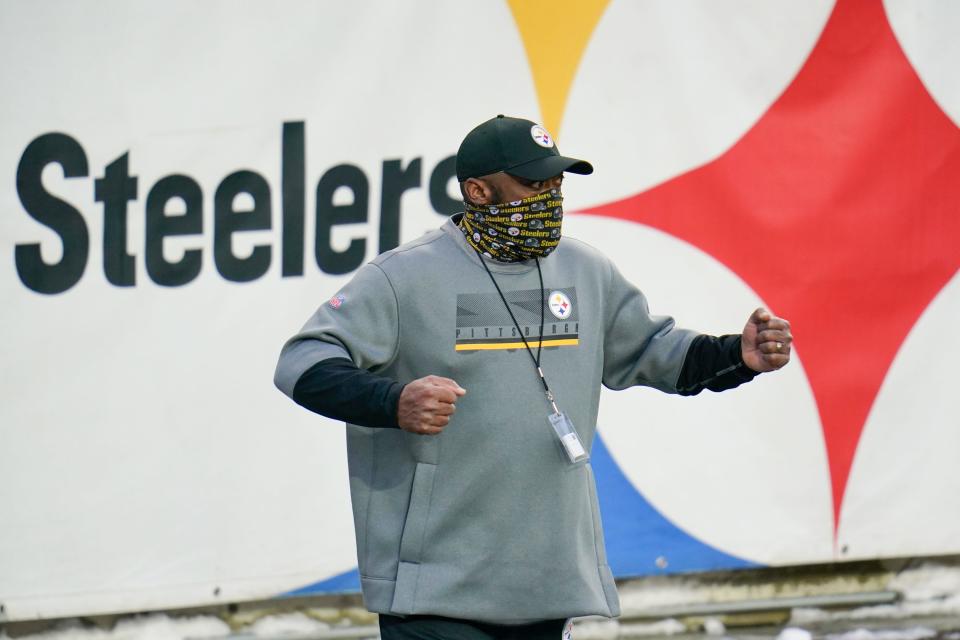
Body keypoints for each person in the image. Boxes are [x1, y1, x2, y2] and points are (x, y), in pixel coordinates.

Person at [274, 115, 792, 640]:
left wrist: (739, 355)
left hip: (549, 584)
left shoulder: (586, 270)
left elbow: (656, 352)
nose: (550, 196)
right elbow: (302, 362)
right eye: (532, 184)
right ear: (477, 191)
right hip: (434, 593)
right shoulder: (401, 277)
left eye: (556, 183)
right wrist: (393, 400)